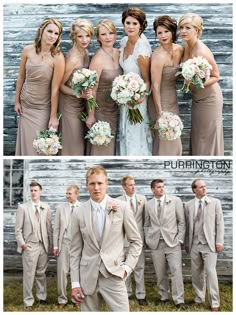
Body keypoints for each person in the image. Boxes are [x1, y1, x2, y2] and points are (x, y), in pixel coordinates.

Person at [70, 166, 142, 311]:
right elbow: (75, 251)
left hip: (114, 274)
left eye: (100, 183)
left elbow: (136, 241)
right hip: (87, 276)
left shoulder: (122, 207)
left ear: (106, 183)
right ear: (86, 185)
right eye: (92, 184)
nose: (96, 188)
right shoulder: (78, 212)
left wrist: (127, 268)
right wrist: (75, 283)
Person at [15, 18, 65, 156]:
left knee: (38, 148)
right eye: (49, 31)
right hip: (26, 106)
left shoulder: (58, 57)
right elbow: (21, 77)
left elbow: (55, 89)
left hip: (43, 108)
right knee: (26, 145)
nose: (52, 36)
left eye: (56, 33)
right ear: (41, 31)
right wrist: (17, 101)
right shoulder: (27, 51)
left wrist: (53, 116)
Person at [178, 13, 224, 156]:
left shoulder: (201, 50)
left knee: (205, 137)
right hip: (197, 98)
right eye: (181, 27)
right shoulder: (186, 46)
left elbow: (216, 76)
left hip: (209, 98)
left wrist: (198, 83)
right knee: (199, 136)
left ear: (197, 30)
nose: (183, 31)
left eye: (188, 28)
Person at [184, 179, 224, 312]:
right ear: (194, 190)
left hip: (209, 244)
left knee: (211, 272)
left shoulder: (215, 202)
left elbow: (219, 223)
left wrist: (219, 241)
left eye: (205, 186)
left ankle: (214, 302)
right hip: (194, 244)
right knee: (196, 273)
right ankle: (199, 298)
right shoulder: (188, 205)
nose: (204, 189)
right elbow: (187, 226)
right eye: (201, 187)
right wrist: (187, 243)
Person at [144, 179, 186, 308]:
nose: (162, 189)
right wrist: (148, 239)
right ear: (152, 190)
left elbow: (181, 222)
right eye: (158, 187)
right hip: (156, 244)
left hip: (172, 243)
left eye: (163, 186)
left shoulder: (175, 201)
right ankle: (163, 297)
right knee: (160, 273)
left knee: (176, 272)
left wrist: (179, 239)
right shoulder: (148, 204)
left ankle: (179, 300)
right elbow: (146, 224)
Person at [119, 7, 152, 156]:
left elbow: (147, 80)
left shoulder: (142, 49)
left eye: (134, 23)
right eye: (128, 23)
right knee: (125, 132)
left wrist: (139, 96)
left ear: (141, 26)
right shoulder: (124, 41)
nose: (130, 27)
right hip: (125, 98)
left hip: (138, 100)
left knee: (135, 134)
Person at [86, 19, 122, 156]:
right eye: (103, 34)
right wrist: (91, 115)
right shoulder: (97, 59)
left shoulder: (119, 53)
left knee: (111, 144)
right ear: (98, 38)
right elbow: (91, 90)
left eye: (111, 33)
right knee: (101, 145)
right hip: (100, 109)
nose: (108, 37)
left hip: (114, 107)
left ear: (115, 34)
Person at [15, 181, 53, 308]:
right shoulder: (23, 208)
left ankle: (42, 297)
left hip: (43, 246)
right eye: (31, 190)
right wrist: (23, 244)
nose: (33, 193)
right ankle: (28, 301)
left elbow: (49, 228)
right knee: (29, 274)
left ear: (40, 191)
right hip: (30, 246)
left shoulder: (46, 207)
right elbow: (18, 230)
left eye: (35, 190)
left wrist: (51, 246)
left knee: (41, 273)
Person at [59, 18, 94, 155]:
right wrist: (77, 94)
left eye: (88, 36)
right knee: (72, 141)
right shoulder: (72, 58)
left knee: (79, 140)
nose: (85, 40)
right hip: (68, 105)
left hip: (80, 104)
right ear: (74, 37)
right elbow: (60, 85)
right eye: (80, 36)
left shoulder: (84, 52)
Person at [150, 15, 183, 155]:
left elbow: (182, 72)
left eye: (166, 31)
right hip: (159, 101)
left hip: (172, 98)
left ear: (173, 31)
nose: (163, 35)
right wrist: (160, 114)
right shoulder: (158, 56)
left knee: (175, 136)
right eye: (159, 32)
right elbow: (155, 86)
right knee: (165, 138)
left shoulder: (180, 49)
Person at [117, 176, 147, 305]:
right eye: (130, 185)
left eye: (134, 184)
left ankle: (141, 295)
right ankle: (127, 293)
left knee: (139, 266)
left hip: (138, 239)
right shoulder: (118, 201)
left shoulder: (142, 199)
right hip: (123, 240)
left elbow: (146, 220)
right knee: (124, 266)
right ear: (124, 187)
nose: (133, 187)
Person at [53, 185, 80, 308]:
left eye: (70, 193)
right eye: (67, 193)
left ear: (76, 194)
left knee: (77, 272)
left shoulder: (83, 208)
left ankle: (76, 299)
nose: (67, 195)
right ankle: (62, 299)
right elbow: (57, 228)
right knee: (62, 272)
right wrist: (56, 246)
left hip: (78, 245)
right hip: (64, 243)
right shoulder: (60, 208)